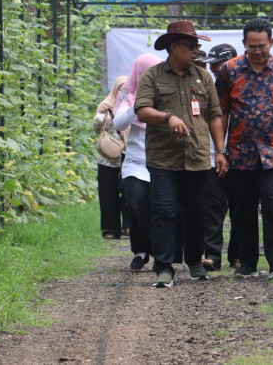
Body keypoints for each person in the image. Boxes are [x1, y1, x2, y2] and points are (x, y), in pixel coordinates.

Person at [135, 20, 228, 288]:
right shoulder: (152, 76)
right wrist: (168, 117)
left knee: (197, 212)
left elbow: (214, 114)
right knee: (164, 212)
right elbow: (142, 110)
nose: (196, 50)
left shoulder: (203, 77)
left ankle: (195, 262)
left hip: (198, 158)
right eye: (191, 45)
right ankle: (164, 267)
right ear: (173, 47)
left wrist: (220, 151)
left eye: (197, 45)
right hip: (163, 160)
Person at [215, 18, 273, 280]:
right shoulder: (229, 70)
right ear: (244, 44)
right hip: (239, 152)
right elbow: (221, 110)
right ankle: (247, 263)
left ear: (272, 43)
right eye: (252, 46)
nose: (257, 51)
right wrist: (220, 150)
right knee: (242, 207)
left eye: (262, 46)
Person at [114, 53, 164, 271]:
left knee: (161, 210)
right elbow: (118, 122)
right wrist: (140, 106)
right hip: (135, 163)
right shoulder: (128, 95)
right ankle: (141, 251)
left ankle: (162, 254)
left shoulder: (166, 93)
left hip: (162, 162)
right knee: (136, 205)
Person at [199, 44, 238, 271]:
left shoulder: (246, 85)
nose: (214, 68)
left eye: (218, 64)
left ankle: (238, 255)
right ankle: (212, 255)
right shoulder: (207, 89)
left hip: (242, 157)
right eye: (212, 65)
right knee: (213, 208)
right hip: (214, 157)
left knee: (241, 209)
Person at [93, 76, 128, 240]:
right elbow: (96, 129)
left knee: (131, 191)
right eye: (119, 88)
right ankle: (111, 229)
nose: (122, 92)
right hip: (108, 157)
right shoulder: (105, 107)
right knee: (108, 192)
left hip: (129, 155)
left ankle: (129, 225)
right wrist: (101, 116)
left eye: (125, 88)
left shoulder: (134, 105)